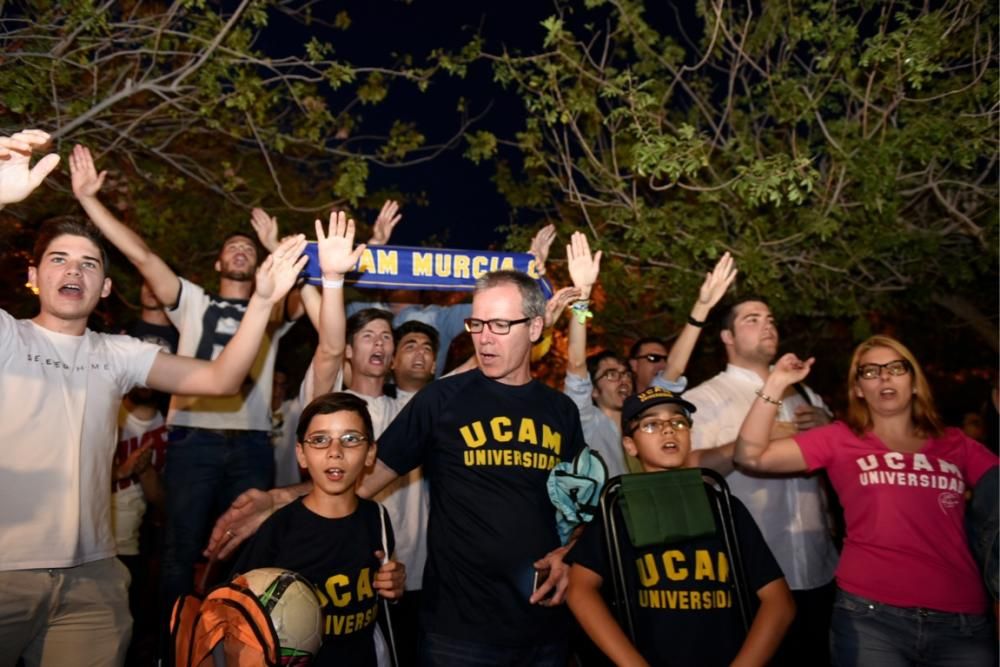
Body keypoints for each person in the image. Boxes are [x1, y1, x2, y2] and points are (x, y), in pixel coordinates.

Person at [0, 129, 307, 667]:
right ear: (33, 276)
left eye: (89, 264)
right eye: (58, 259)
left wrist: (262, 301)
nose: (74, 269)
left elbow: (220, 379)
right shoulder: (7, 337)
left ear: (104, 291)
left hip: (93, 583)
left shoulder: (118, 354)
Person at [208, 269, 588, 665]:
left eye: (500, 325)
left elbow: (581, 509)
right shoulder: (440, 401)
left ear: (535, 327)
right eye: (477, 324)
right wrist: (278, 500)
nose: (484, 337)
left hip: (544, 628)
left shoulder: (560, 410)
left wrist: (571, 554)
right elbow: (366, 479)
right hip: (457, 633)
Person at [68, 144, 302, 612]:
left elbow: (317, 290)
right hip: (194, 439)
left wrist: (278, 250)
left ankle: (236, 645)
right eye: (231, 247)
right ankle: (173, 648)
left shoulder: (273, 308)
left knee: (245, 552)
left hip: (253, 442)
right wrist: (90, 201)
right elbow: (143, 256)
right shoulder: (193, 301)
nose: (240, 250)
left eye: (247, 249)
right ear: (217, 265)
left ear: (257, 266)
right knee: (179, 549)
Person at [733, 336, 998, 666]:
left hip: (963, 622)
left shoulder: (956, 443)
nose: (884, 377)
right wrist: (775, 383)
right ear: (858, 389)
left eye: (895, 368)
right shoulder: (840, 438)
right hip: (872, 619)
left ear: (914, 382)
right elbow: (749, 456)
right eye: (870, 372)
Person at [566, 386, 795, 666]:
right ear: (630, 444)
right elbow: (579, 589)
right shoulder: (618, 509)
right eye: (651, 425)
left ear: (689, 433)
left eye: (678, 422)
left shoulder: (723, 506)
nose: (668, 430)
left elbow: (779, 602)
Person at [682, 297, 840, 663]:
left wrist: (829, 431)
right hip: (751, 577)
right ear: (728, 337)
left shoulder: (804, 392)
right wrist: (755, 443)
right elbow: (689, 473)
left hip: (820, 569)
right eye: (753, 319)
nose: (768, 325)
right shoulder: (703, 399)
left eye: (770, 318)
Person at [232, 392, 405, 666]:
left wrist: (393, 584)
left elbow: (383, 584)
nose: (334, 452)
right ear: (301, 454)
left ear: (370, 452)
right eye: (320, 440)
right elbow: (237, 609)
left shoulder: (377, 516)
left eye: (350, 439)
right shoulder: (280, 527)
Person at [563, 232, 736, 477]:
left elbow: (673, 370)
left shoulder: (644, 414)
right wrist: (583, 295)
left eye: (624, 373)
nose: (623, 379)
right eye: (611, 374)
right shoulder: (585, 420)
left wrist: (702, 307)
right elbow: (577, 361)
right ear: (593, 389)